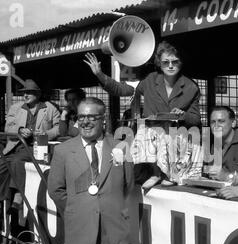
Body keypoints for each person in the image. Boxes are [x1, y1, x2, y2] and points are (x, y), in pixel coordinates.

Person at [84, 41, 201, 188]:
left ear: (181, 62)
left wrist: (183, 115)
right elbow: (122, 90)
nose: (170, 66)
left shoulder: (191, 87)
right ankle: (156, 173)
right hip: (152, 136)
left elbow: (196, 119)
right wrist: (100, 75)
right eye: (166, 62)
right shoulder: (149, 80)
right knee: (149, 132)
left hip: (176, 139)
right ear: (159, 63)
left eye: (175, 62)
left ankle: (169, 174)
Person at [48, 97, 134, 244]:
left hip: (113, 229)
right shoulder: (63, 151)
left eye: (92, 117)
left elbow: (127, 186)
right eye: (81, 117)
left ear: (103, 119)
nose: (85, 122)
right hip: (80, 227)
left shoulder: (121, 148)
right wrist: (76, 210)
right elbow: (56, 190)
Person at [0, 79, 60, 228]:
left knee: (17, 161)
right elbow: (8, 127)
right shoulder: (15, 108)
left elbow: (58, 129)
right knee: (1, 167)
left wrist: (45, 133)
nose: (25, 95)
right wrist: (19, 130)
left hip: (36, 147)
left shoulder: (50, 108)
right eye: (24, 93)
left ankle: (17, 200)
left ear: (38, 94)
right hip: (15, 145)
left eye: (29, 93)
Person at [207, 106, 238, 183]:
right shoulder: (210, 144)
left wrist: (228, 176)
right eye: (213, 122)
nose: (216, 126)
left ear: (233, 123)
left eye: (221, 121)